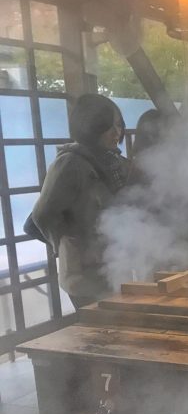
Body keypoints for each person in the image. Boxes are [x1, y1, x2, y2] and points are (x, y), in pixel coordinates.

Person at [31, 93, 131, 308]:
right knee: (101, 334)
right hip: (84, 277)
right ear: (90, 126)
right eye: (108, 126)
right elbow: (43, 214)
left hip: (114, 266)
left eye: (119, 125)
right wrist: (70, 245)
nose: (117, 132)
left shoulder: (115, 163)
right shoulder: (70, 164)